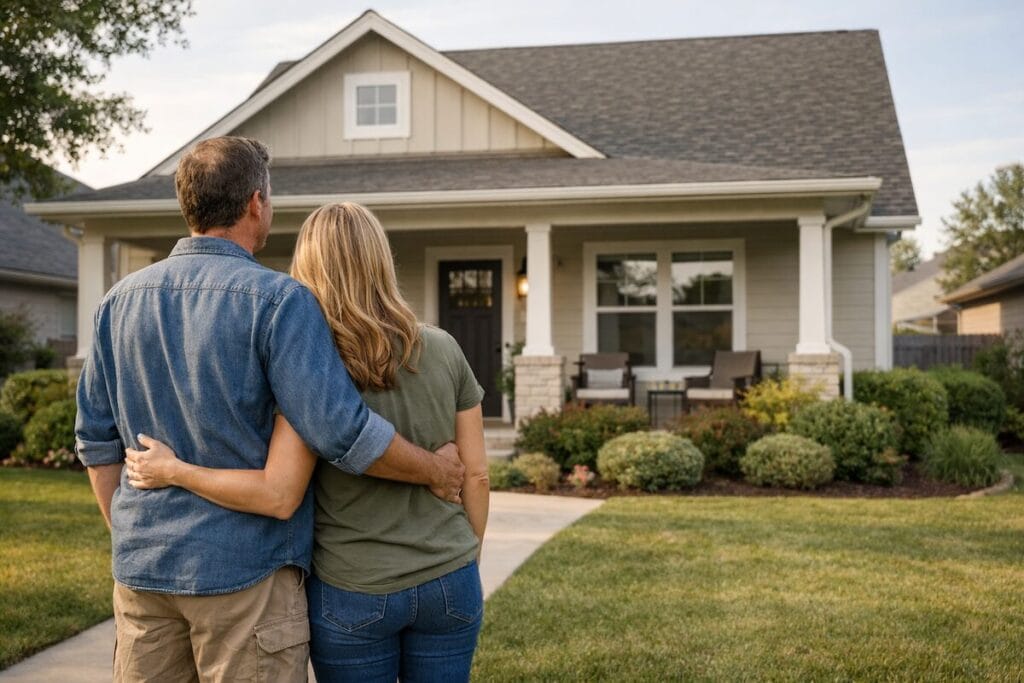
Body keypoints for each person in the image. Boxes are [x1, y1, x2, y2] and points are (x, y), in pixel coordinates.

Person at [75, 137, 465, 683]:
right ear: (256, 203)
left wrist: (132, 533)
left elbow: (96, 442)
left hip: (143, 575)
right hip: (245, 579)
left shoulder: (117, 302)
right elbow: (340, 430)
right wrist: (436, 470)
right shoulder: (279, 301)